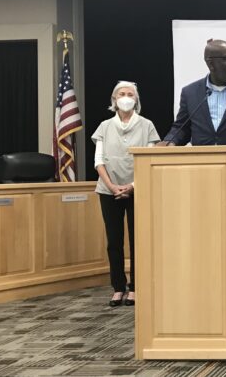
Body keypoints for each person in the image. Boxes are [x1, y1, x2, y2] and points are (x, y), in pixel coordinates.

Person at [91, 81, 160, 307]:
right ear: (114, 99)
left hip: (138, 189)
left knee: (137, 240)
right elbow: (98, 161)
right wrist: (112, 187)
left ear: (136, 100)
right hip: (108, 190)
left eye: (130, 94)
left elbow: (150, 160)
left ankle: (136, 288)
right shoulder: (104, 126)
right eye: (122, 93)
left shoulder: (147, 125)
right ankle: (118, 287)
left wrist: (131, 186)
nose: (126, 97)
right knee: (114, 241)